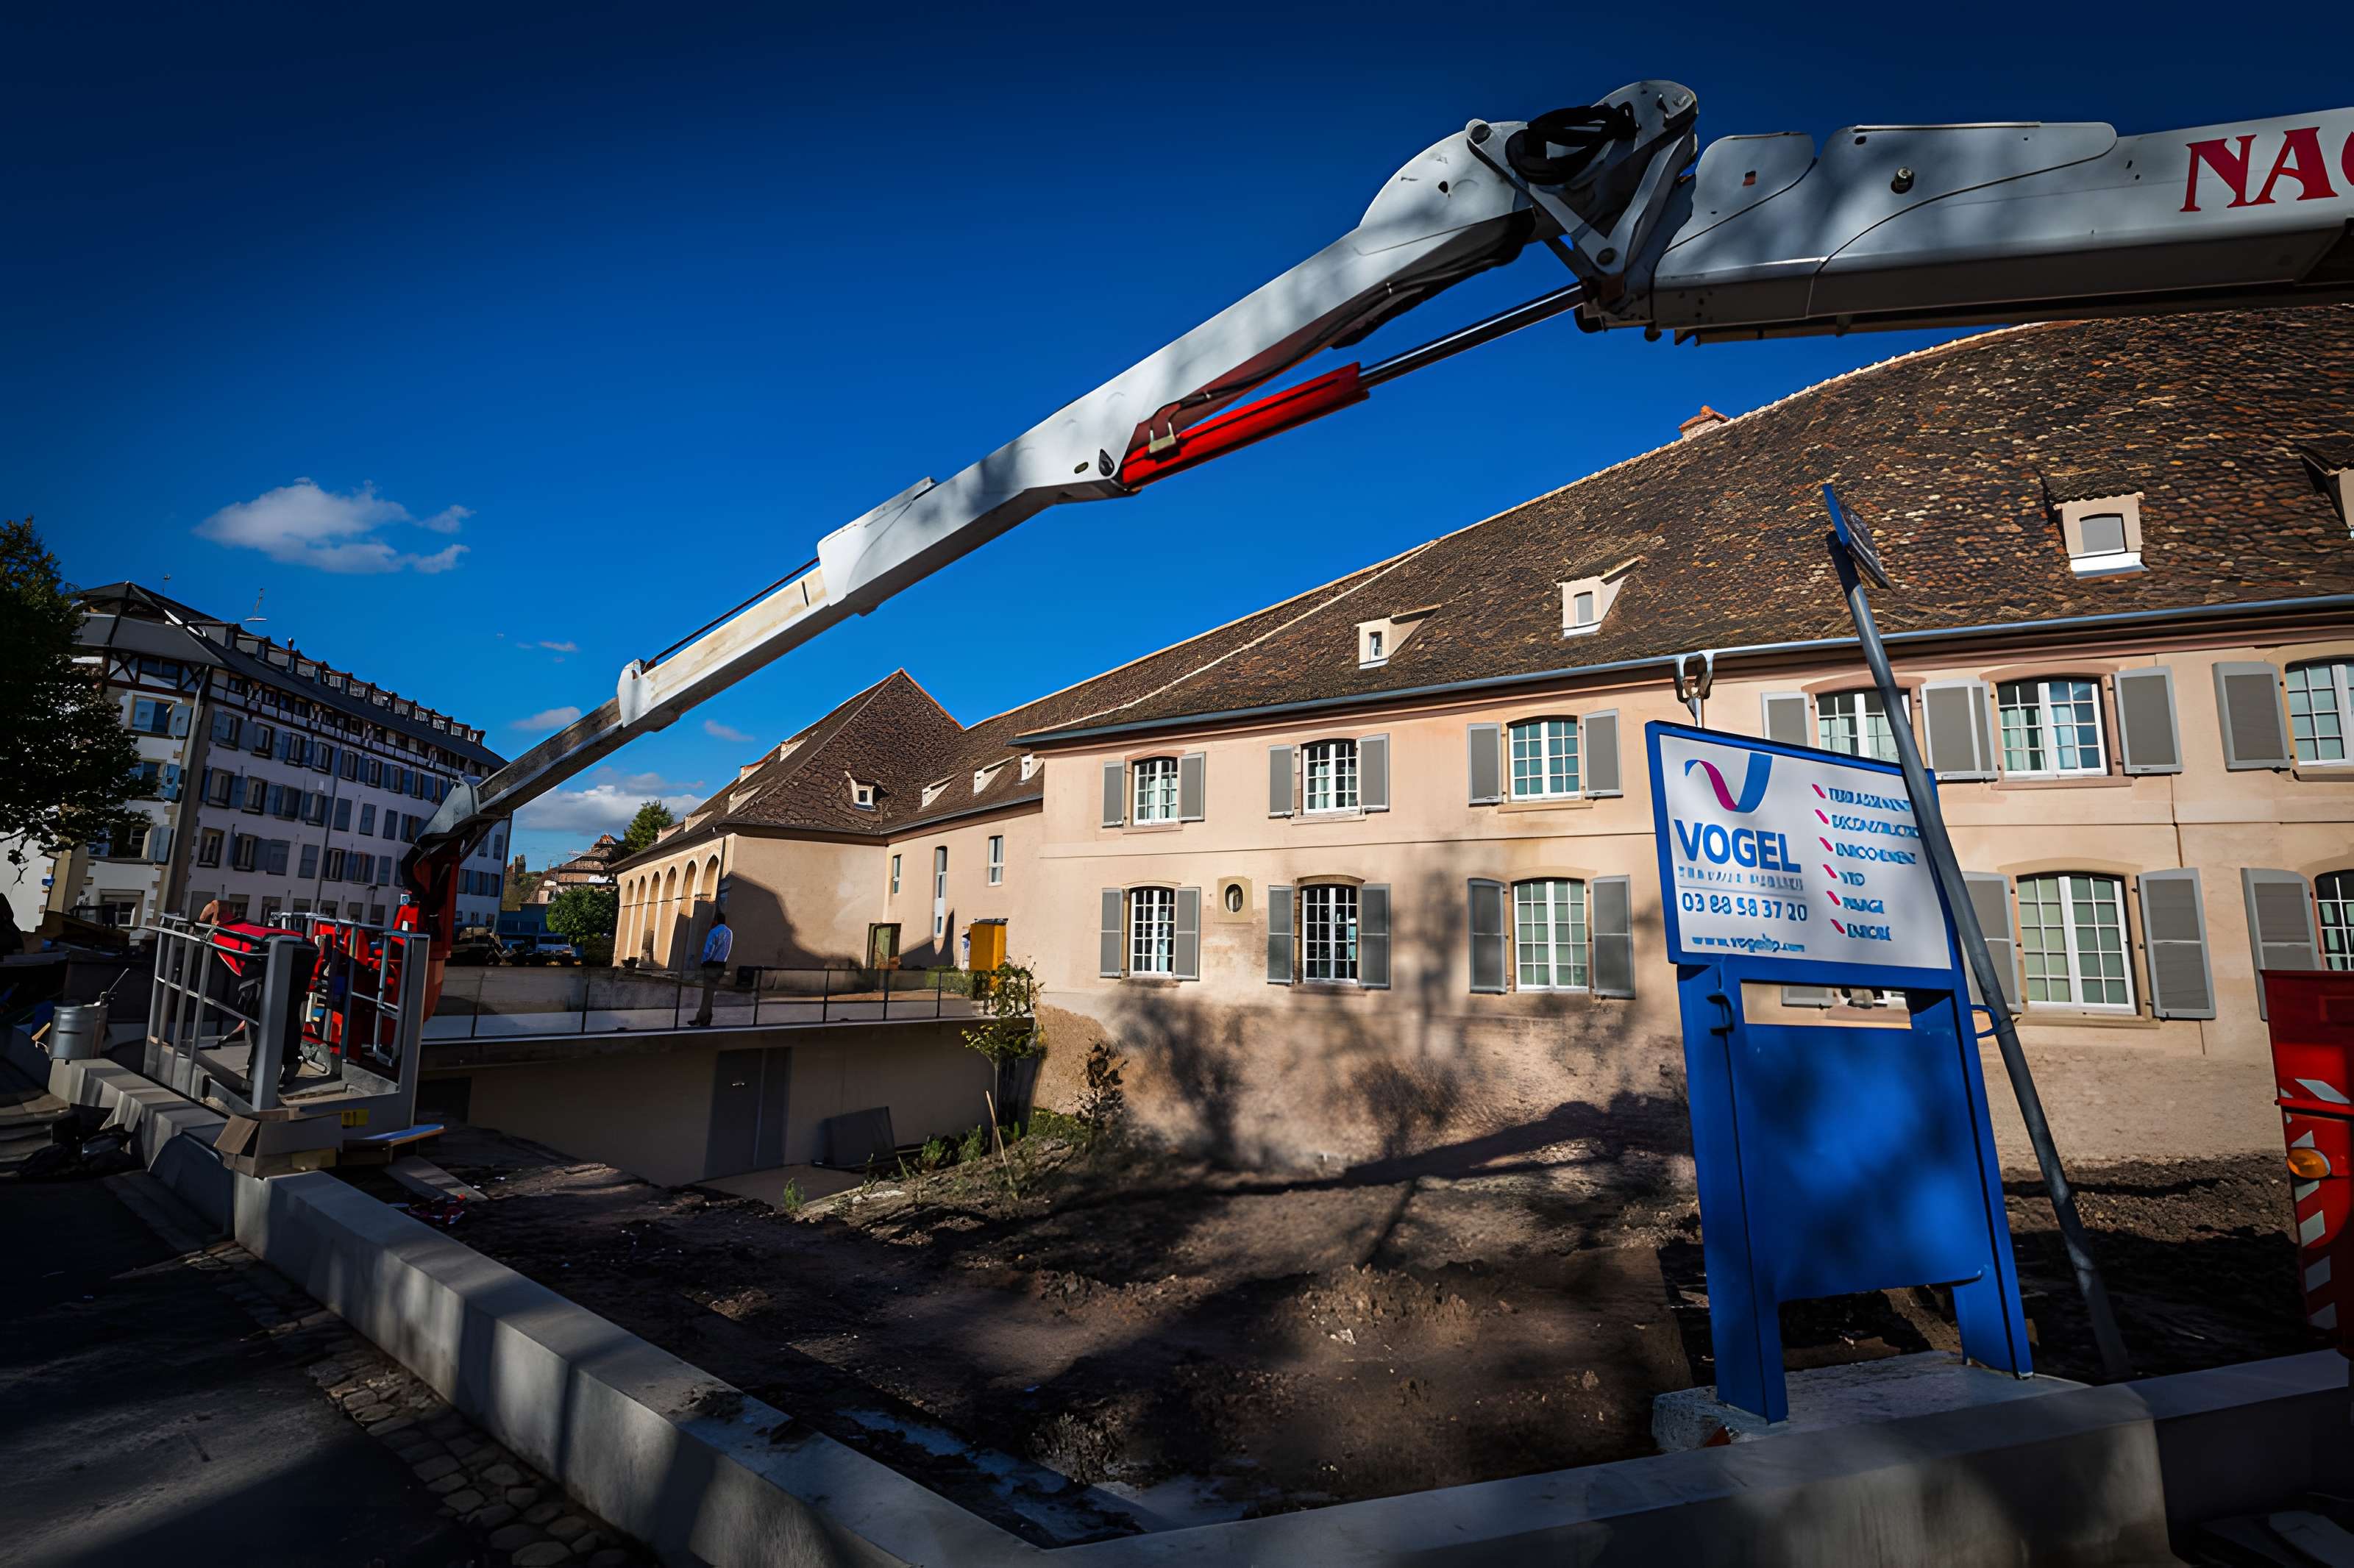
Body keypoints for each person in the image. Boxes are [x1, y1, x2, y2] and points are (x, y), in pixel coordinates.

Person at [691, 912, 733, 1027]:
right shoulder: (729, 932)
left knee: (707, 993)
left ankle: (703, 1018)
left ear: (715, 920)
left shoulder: (714, 931)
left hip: (711, 966)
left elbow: (708, 950)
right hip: (721, 965)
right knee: (710, 992)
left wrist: (703, 962)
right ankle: (704, 1017)